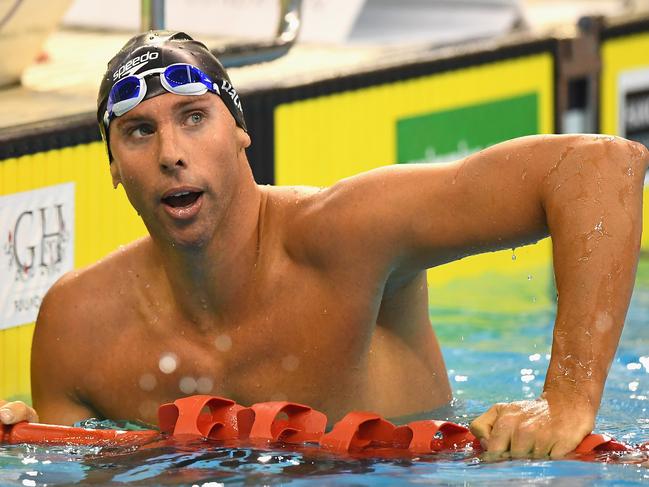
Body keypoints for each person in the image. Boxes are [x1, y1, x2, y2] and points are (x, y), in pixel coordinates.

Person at [1, 30, 647, 460]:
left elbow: (598, 169)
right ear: (112, 164)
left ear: (238, 134)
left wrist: (567, 396)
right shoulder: (78, 327)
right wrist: (31, 445)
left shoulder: (348, 236)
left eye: (194, 118)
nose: (171, 153)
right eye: (139, 132)